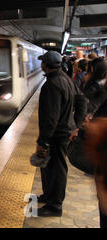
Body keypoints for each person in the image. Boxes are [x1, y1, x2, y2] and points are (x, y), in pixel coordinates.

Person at [34, 50, 86, 217]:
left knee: (56, 170)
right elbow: (82, 101)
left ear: (45, 65)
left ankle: (54, 206)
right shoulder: (65, 79)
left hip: (57, 135)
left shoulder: (52, 85)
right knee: (49, 168)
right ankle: (48, 196)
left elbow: (51, 117)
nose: (41, 64)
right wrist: (76, 124)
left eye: (42, 62)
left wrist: (43, 141)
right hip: (64, 132)